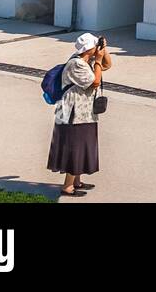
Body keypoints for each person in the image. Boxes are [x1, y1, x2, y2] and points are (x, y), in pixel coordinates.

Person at [48, 32, 111, 197]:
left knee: (82, 144)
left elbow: (107, 65)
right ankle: (67, 187)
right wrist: (97, 59)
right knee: (74, 146)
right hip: (73, 113)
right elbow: (95, 81)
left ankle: (76, 181)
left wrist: (104, 52)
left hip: (84, 112)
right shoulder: (76, 64)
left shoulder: (86, 60)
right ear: (89, 49)